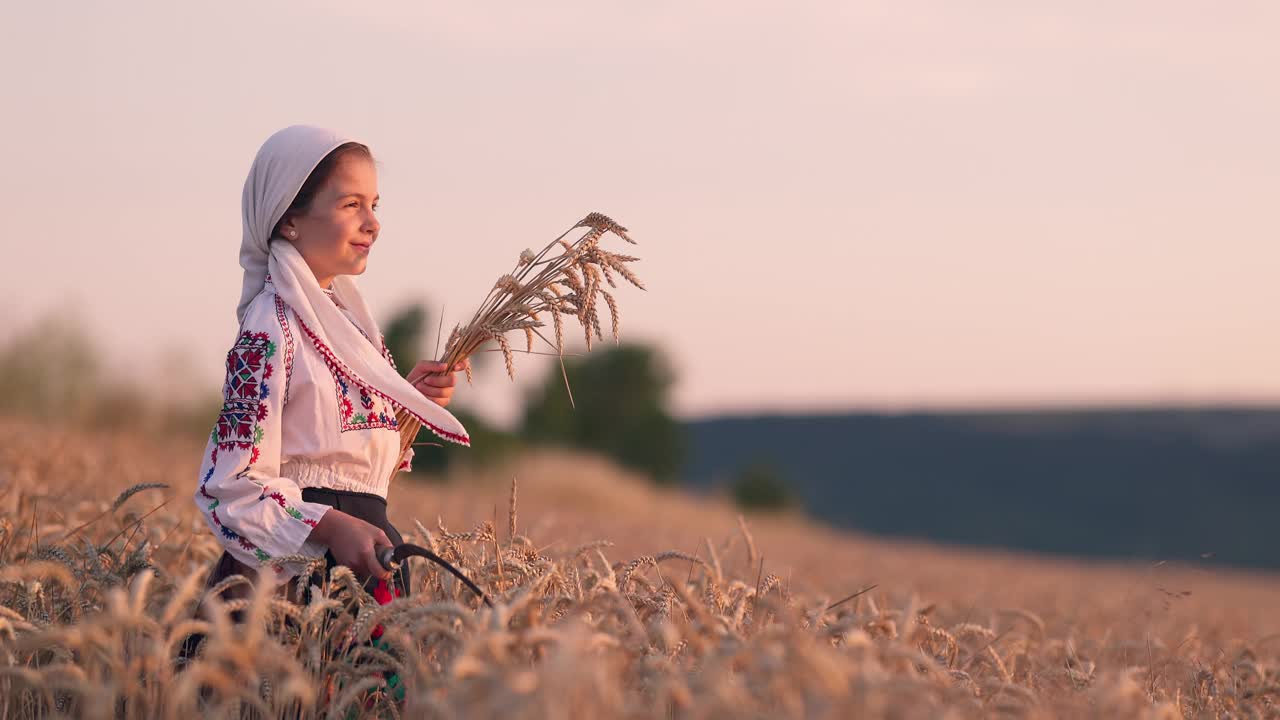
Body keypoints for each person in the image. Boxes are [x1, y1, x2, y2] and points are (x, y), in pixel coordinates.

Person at [185, 125, 472, 641]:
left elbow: (345, 462)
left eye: (375, 205)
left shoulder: (355, 329)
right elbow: (231, 483)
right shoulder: (269, 326)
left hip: (361, 569)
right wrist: (332, 527)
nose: (373, 223)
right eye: (351, 205)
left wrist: (404, 399)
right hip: (292, 583)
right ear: (289, 218)